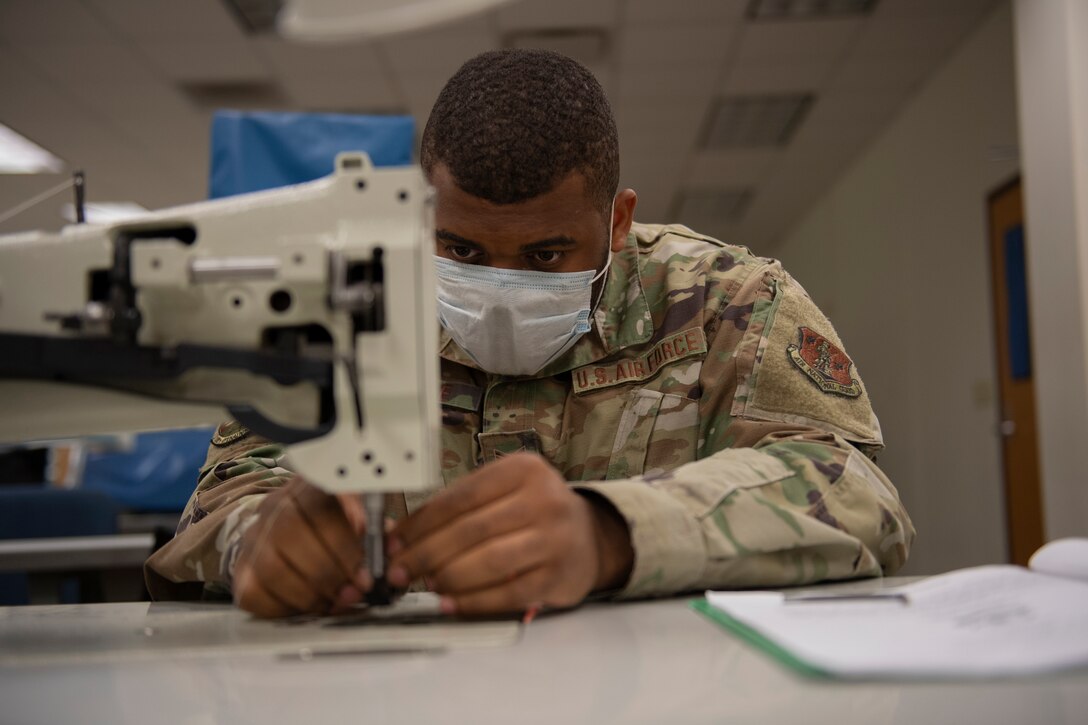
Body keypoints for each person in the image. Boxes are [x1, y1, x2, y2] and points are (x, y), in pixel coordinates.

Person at [145, 49, 914, 617]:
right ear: (423, 218)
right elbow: (220, 502)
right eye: (463, 251)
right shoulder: (338, 312)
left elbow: (852, 494)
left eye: (547, 255)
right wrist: (262, 538)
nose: (503, 288)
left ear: (617, 221)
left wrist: (610, 534)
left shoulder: (727, 303)